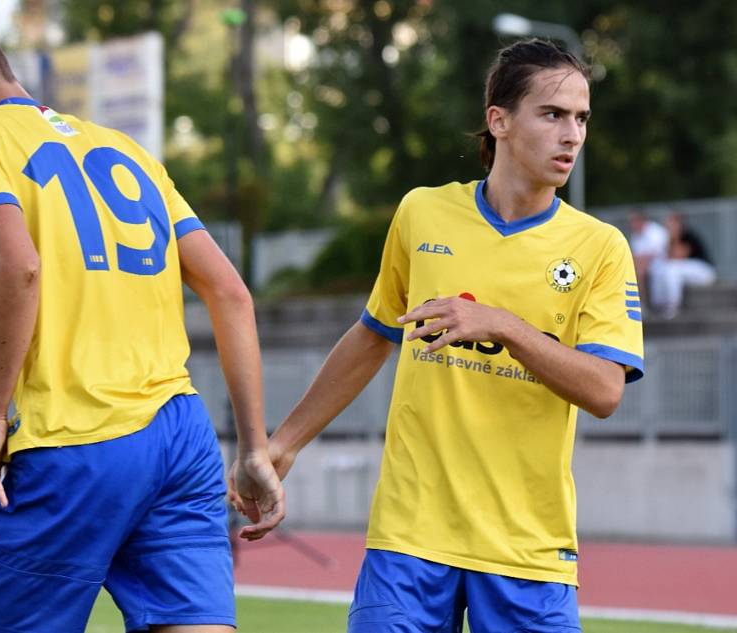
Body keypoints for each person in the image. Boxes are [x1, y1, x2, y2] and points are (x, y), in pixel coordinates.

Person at [241, 39, 645, 633]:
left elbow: (606, 390)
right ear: (498, 120)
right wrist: (286, 443)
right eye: (553, 114)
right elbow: (373, 335)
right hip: (410, 534)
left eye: (582, 118)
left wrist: (504, 326)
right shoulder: (422, 213)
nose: (573, 135)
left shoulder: (600, 248)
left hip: (526, 547)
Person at [0, 9, 284, 633]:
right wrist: (255, 447)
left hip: (75, 435)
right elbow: (231, 291)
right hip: (180, 436)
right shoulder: (125, 147)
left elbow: (19, 267)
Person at [650, 212, 716, 318]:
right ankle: (659, 304)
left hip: (705, 271)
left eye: (672, 223)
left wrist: (674, 238)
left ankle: (673, 307)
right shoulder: (670, 239)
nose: (669, 226)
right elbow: (668, 258)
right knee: (660, 270)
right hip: (689, 271)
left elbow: (678, 256)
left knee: (672, 269)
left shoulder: (689, 235)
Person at [628, 209, 669, 303]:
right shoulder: (635, 235)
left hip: (661, 265)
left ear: (641, 220)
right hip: (646, 266)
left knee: (639, 272)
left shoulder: (656, 232)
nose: (631, 224)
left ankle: (643, 303)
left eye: (633, 221)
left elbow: (653, 255)